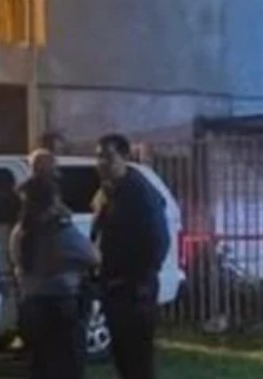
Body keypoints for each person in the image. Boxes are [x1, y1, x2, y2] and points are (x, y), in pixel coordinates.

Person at [93, 133, 169, 379]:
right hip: (114, 287)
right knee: (123, 357)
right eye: (98, 157)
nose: (101, 163)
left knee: (137, 360)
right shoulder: (109, 192)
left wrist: (143, 280)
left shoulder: (138, 192)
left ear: (124, 156)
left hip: (134, 289)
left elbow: (158, 239)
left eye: (108, 157)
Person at [11, 176, 99, 379]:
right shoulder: (61, 232)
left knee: (41, 367)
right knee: (67, 367)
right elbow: (93, 256)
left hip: (30, 306)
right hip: (60, 308)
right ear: (53, 200)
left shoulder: (20, 232)